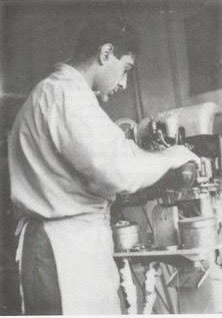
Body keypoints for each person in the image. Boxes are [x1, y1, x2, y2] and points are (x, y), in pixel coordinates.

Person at [8, 16, 200, 315]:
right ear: (106, 53)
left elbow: (117, 154)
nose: (124, 83)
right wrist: (171, 157)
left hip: (71, 243)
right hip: (62, 249)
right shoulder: (65, 95)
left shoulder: (65, 94)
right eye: (125, 69)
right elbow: (118, 171)